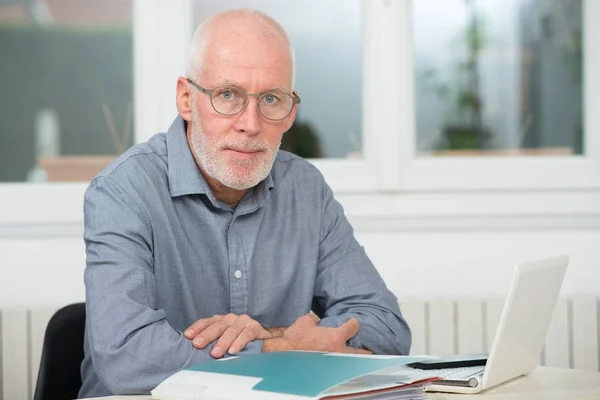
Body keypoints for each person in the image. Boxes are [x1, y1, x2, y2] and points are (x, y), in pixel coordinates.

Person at [79, 8, 411, 398]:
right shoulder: (123, 191)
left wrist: (273, 336)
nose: (250, 124)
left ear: (291, 113)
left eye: (271, 98)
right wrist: (282, 349)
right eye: (228, 95)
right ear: (186, 99)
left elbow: (387, 327)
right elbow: (126, 359)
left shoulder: (306, 188)